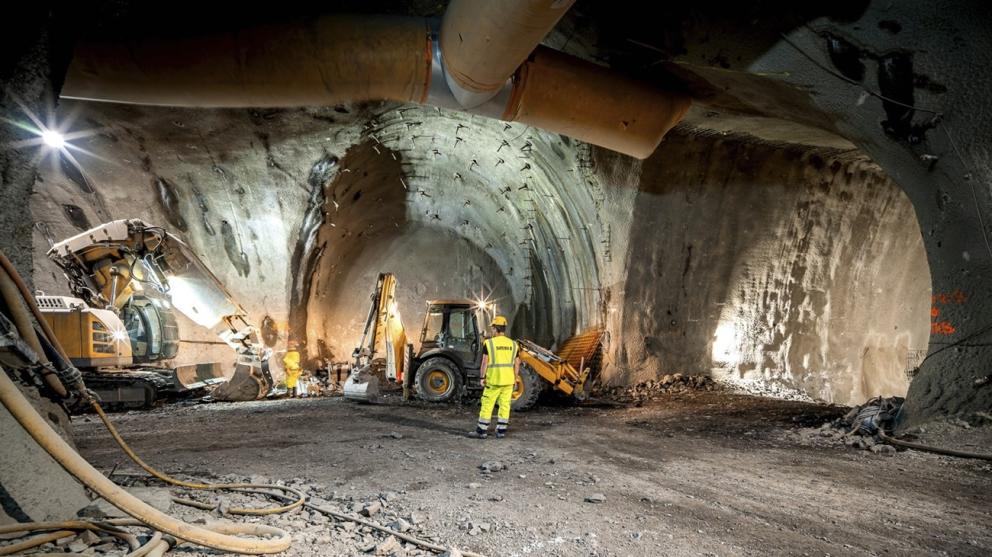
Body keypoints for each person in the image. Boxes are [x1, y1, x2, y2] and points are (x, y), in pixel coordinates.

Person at [474, 315, 520, 439]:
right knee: (505, 405)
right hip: (508, 381)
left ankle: (481, 430)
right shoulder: (514, 344)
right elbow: (517, 363)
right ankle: (501, 431)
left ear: (495, 329)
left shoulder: (489, 343)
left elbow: (484, 362)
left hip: (493, 380)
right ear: (504, 329)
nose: (492, 331)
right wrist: (515, 378)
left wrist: (482, 377)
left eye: (492, 328)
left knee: (487, 404)